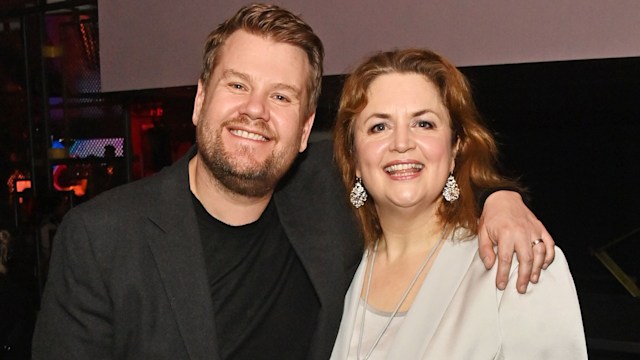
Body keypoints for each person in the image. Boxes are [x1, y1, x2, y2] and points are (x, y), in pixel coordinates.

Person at [33, 4, 554, 360]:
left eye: (281, 96)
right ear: (199, 100)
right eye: (237, 85)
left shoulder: (326, 197)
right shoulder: (101, 238)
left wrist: (500, 200)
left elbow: (412, 165)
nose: (255, 111)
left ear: (306, 129)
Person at [330, 48, 587, 359]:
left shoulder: (515, 260)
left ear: (455, 149)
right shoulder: (335, 270)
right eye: (379, 127)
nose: (401, 143)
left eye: (423, 123)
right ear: (354, 157)